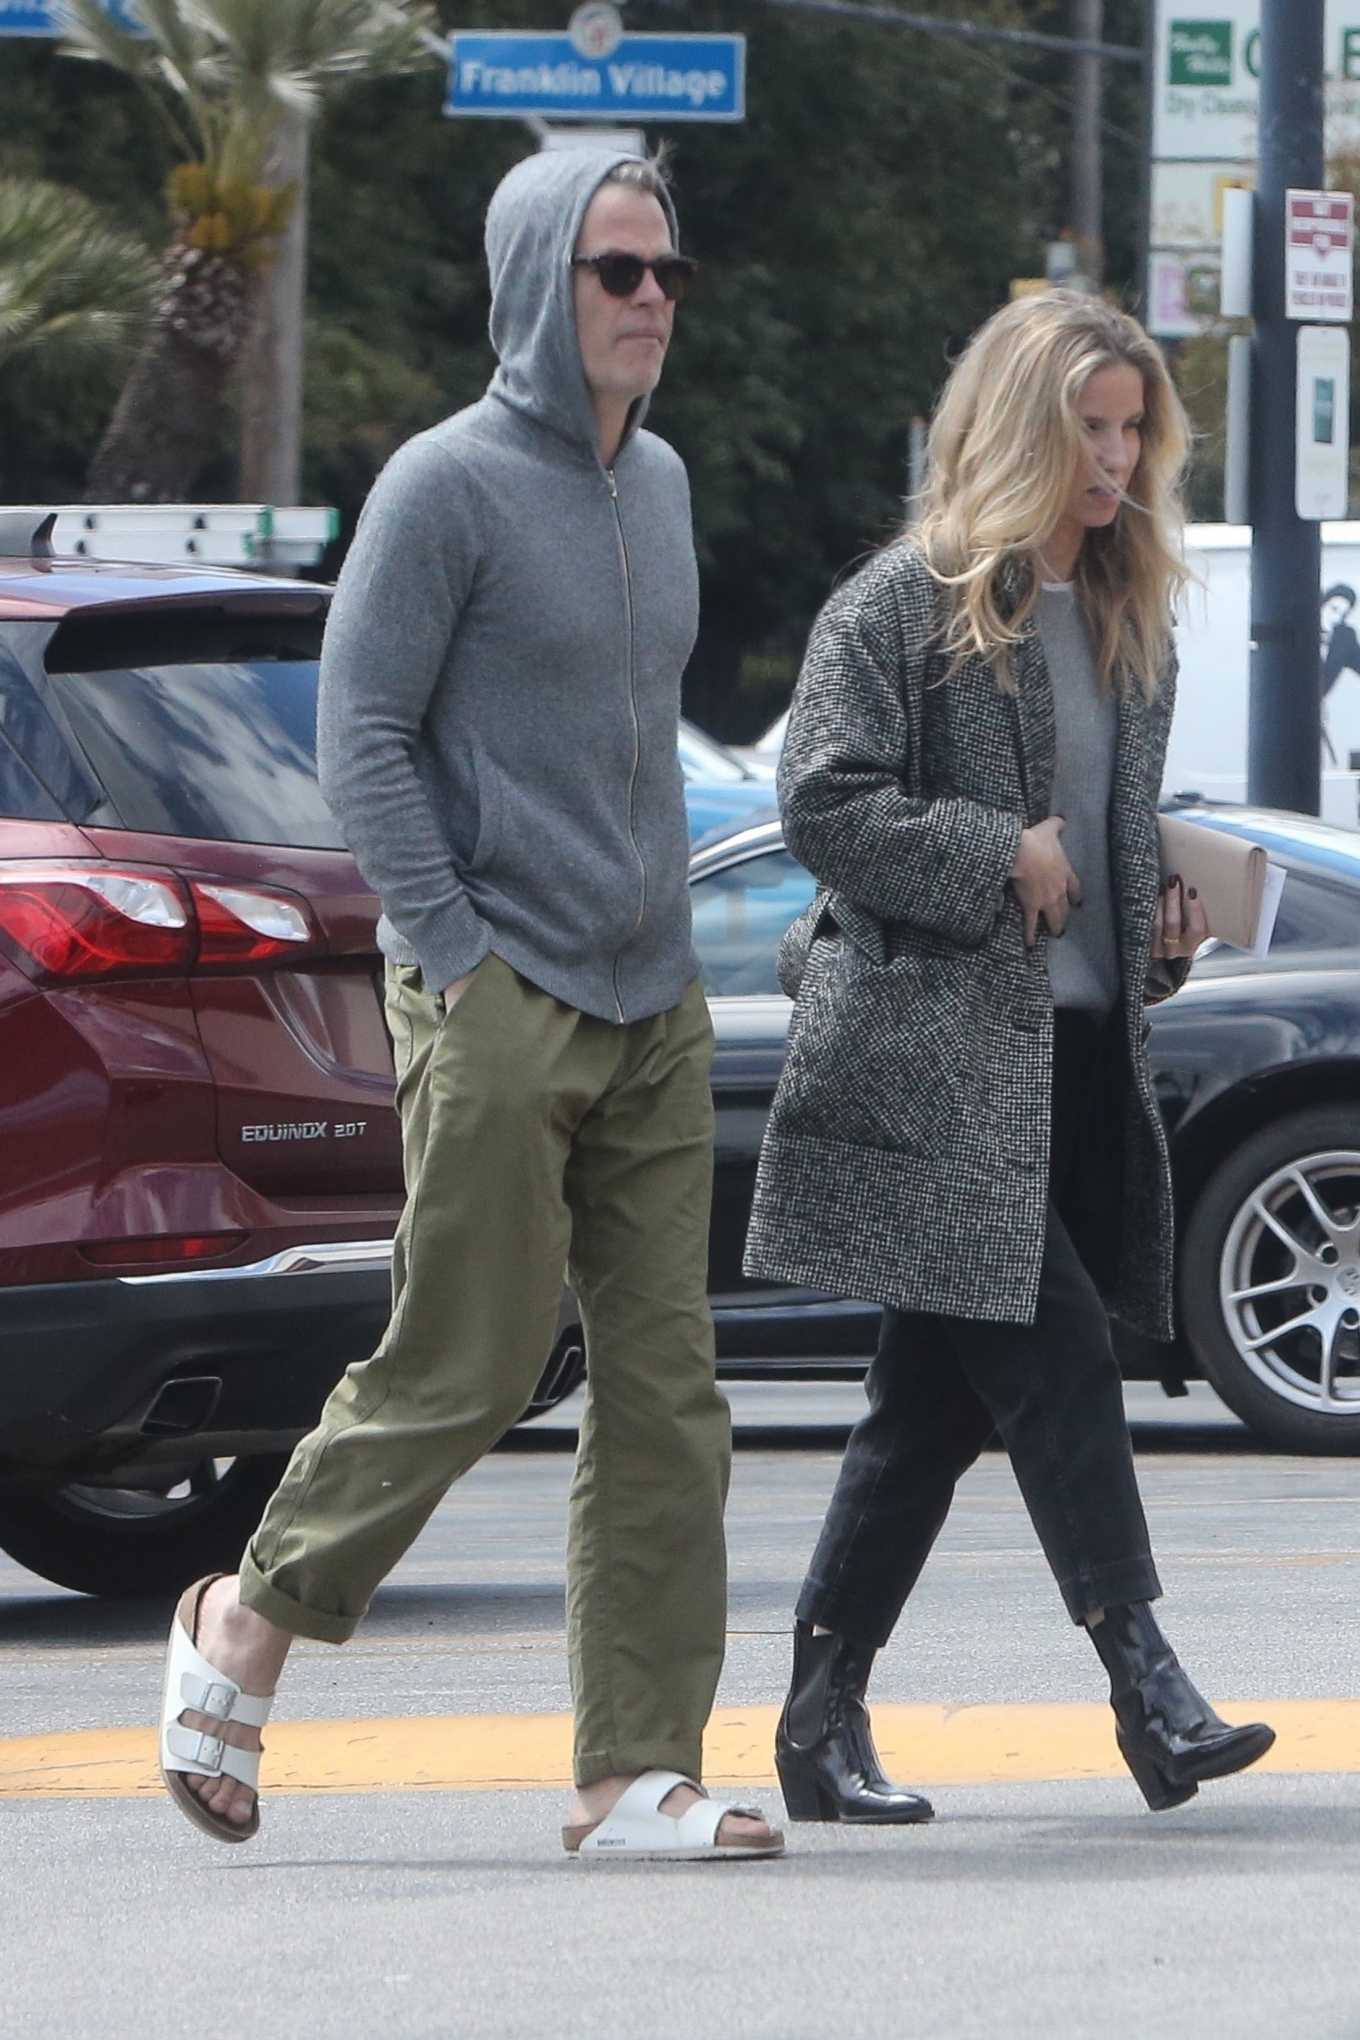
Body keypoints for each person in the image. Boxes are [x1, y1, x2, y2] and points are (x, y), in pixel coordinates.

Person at [155, 145, 782, 1865]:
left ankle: (633, 1770)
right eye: (616, 273)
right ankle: (247, 1623)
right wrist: (464, 951)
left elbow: (634, 750)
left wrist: (667, 943)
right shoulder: (441, 487)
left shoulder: (657, 488)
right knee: (470, 1357)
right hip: (497, 988)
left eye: (665, 272)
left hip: (652, 999)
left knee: (668, 1390)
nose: (652, 299)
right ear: (534, 286)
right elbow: (358, 736)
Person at [743, 291, 1276, 1824]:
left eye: (1132, 433)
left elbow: (1096, 865)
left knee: (926, 1408)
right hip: (927, 1069)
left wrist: (1159, 928)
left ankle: (817, 1716)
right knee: (1055, 1357)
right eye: (1087, 429)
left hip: (1074, 1060)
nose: (1113, 462)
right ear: (1017, 428)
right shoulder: (900, 608)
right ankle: (1146, 1684)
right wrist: (993, 853)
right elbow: (821, 804)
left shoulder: (1130, 616)